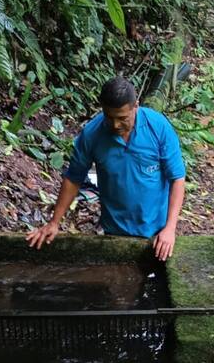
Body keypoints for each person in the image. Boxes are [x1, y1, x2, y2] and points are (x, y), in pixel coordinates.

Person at [26, 77, 186, 261]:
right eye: (109, 117)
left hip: (157, 230)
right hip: (115, 230)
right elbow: (73, 179)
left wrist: (170, 229)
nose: (116, 125)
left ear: (136, 106)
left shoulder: (158, 128)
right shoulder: (92, 134)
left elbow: (177, 178)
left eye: (122, 118)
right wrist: (54, 222)